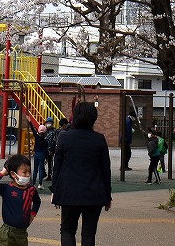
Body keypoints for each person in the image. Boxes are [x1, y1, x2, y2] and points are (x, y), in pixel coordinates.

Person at [51, 102, 111, 246]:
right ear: (94, 118)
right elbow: (105, 169)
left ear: (75, 117)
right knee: (89, 233)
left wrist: (55, 190)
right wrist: (107, 195)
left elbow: (57, 167)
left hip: (69, 192)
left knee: (67, 230)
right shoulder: (99, 139)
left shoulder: (64, 137)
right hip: (94, 192)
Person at [0, 153, 40, 246]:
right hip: (6, 233)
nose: (28, 175)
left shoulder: (31, 190)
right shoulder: (7, 189)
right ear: (13, 174)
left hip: (22, 233)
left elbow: (37, 202)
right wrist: (3, 172)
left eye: (29, 172)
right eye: (24, 172)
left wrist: (33, 215)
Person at [31, 120, 51, 187]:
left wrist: (30, 122)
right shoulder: (45, 140)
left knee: (35, 169)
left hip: (36, 154)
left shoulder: (37, 137)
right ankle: (40, 183)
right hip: (42, 154)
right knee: (41, 169)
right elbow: (46, 149)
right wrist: (46, 157)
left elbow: (33, 130)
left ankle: (33, 183)